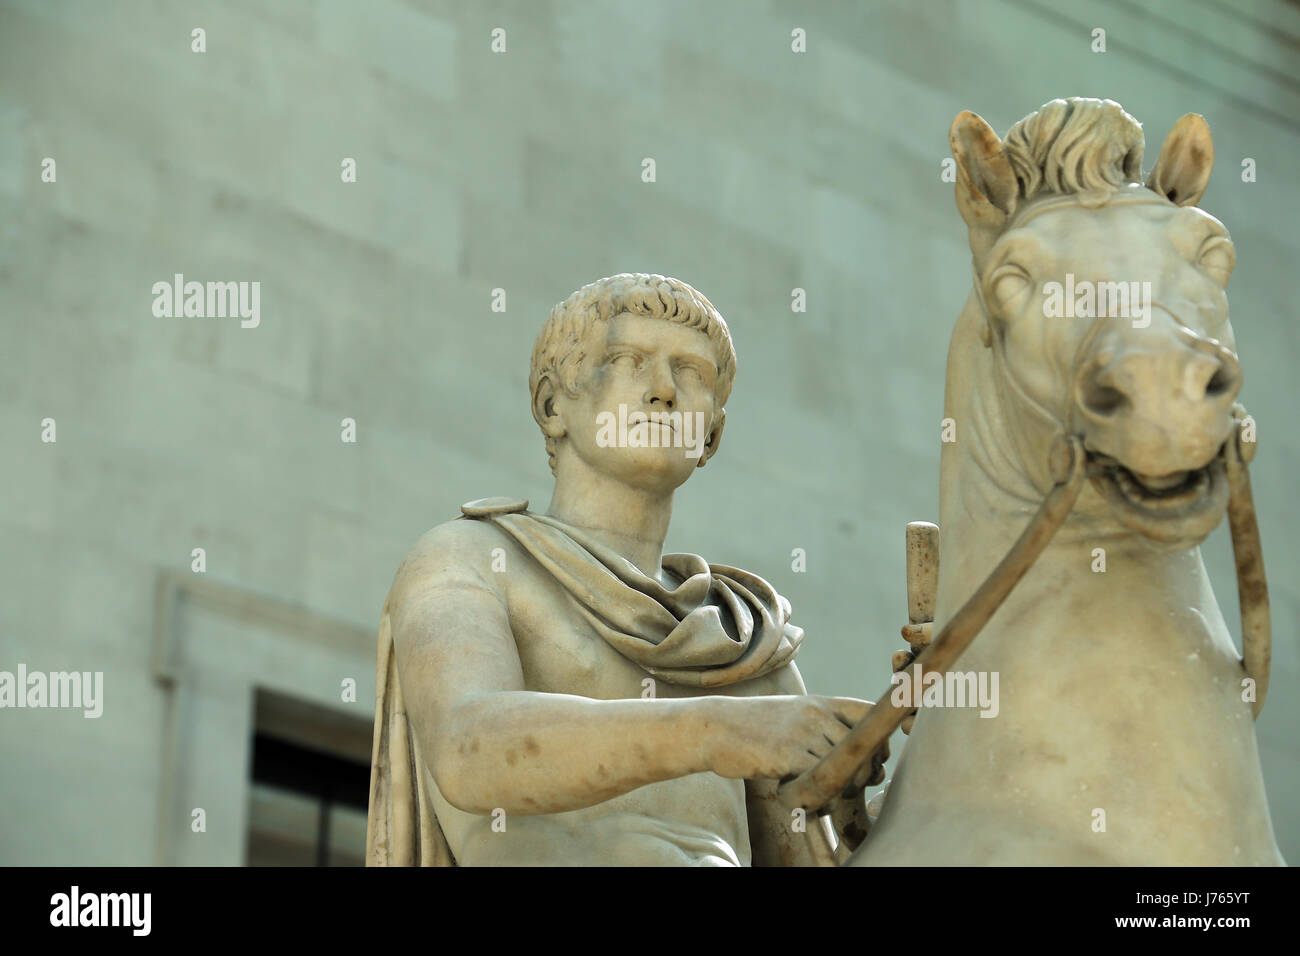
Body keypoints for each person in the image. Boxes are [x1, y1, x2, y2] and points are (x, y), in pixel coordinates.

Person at [366, 273, 878, 866]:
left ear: (711, 432)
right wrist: (718, 732)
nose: (663, 391)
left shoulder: (743, 644)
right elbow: (467, 746)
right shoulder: (469, 558)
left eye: (692, 372)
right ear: (553, 404)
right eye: (629, 359)